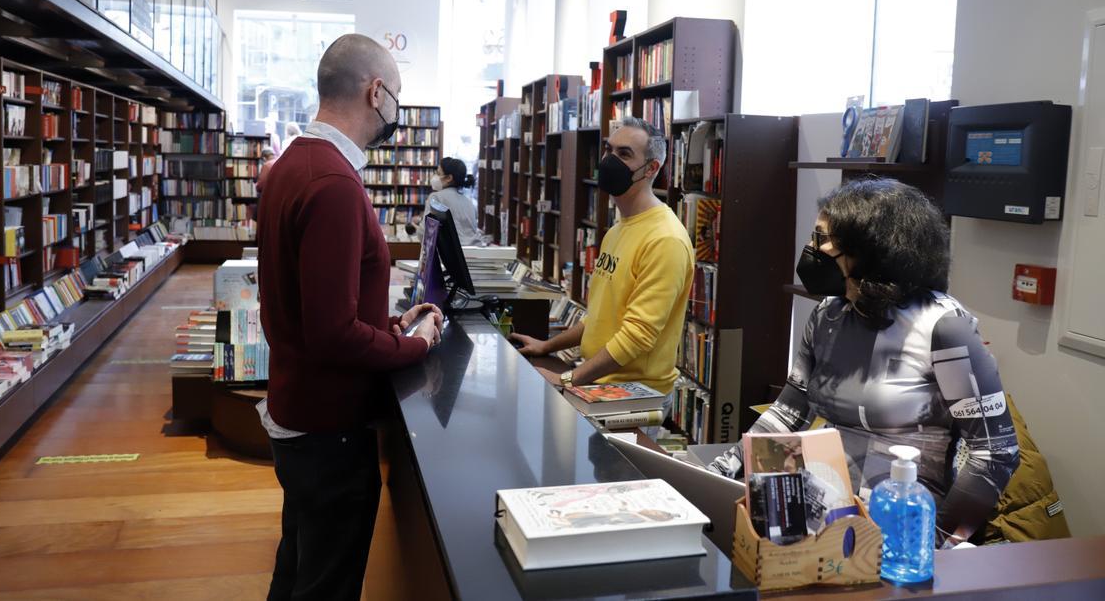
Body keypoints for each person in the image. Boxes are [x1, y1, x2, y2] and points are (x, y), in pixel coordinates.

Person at [704, 177, 1019, 550]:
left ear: (869, 250)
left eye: (820, 238)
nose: (810, 249)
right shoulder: (828, 316)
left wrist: (938, 543)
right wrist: (719, 473)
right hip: (826, 512)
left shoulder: (943, 327)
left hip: (903, 522)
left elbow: (995, 451)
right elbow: (788, 413)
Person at [256, 33, 443, 601]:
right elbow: (333, 334)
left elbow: (314, 301)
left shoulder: (294, 163)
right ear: (376, 91)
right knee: (326, 583)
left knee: (298, 564)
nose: (396, 111)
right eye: (397, 97)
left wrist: (385, 325)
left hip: (300, 409)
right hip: (329, 426)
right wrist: (419, 344)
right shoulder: (335, 182)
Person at [508, 117, 694, 402]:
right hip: (598, 382)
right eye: (609, 150)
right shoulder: (618, 229)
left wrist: (565, 379)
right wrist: (547, 346)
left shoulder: (665, 239)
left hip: (631, 395)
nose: (610, 160)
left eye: (624, 154)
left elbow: (637, 335)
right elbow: (599, 319)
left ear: (651, 169)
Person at [424, 157, 486, 245]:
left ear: (449, 178)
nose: (434, 177)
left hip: (451, 255)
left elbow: (426, 232)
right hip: (473, 252)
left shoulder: (435, 198)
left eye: (438, 173)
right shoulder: (468, 202)